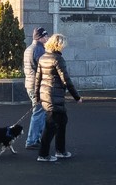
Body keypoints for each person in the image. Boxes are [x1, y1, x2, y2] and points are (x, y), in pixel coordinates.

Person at [33, 33, 82, 162]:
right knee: (51, 125)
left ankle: (60, 150)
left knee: (62, 121)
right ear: (59, 45)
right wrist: (77, 97)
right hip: (54, 96)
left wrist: (37, 96)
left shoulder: (43, 57)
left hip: (46, 95)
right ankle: (43, 154)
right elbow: (66, 79)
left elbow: (38, 78)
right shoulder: (58, 59)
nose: (64, 47)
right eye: (63, 45)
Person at [22, 26, 49, 150]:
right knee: (38, 112)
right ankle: (32, 140)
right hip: (36, 86)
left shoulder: (29, 48)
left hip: (30, 84)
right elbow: (42, 68)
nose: (47, 38)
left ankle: (36, 138)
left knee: (40, 112)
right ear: (41, 37)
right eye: (46, 36)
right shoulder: (39, 50)